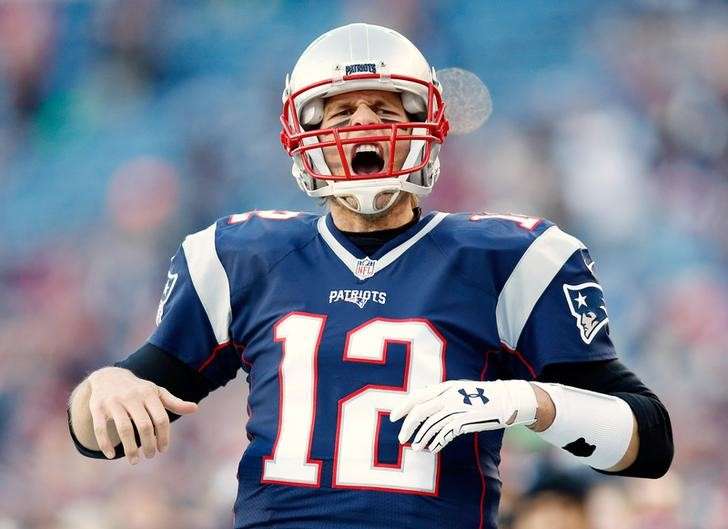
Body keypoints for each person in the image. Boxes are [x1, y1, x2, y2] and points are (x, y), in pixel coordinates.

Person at [67, 23, 673, 529]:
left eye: (384, 107)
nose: (363, 126)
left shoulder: (506, 258)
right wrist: (104, 387)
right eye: (340, 111)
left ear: (426, 125)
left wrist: (520, 400)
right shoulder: (244, 254)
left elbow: (648, 441)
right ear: (304, 135)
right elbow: (98, 435)